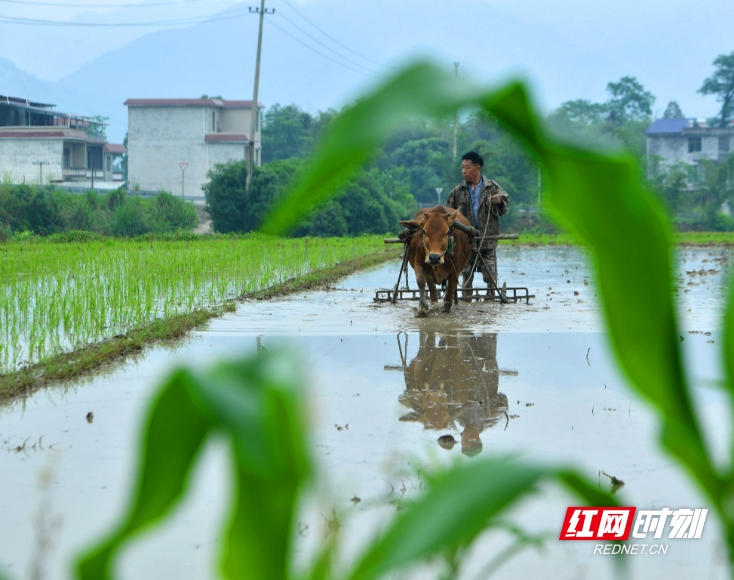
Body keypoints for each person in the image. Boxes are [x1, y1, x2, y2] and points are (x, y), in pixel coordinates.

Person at [445, 151, 509, 296]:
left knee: (490, 277)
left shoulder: (492, 188)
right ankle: (466, 302)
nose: (464, 171)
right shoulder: (457, 191)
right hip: (465, 241)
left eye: (467, 167)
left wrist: (499, 202)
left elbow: (504, 206)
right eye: (462, 168)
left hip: (487, 240)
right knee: (466, 276)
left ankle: (490, 301)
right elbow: (447, 215)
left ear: (478, 168)